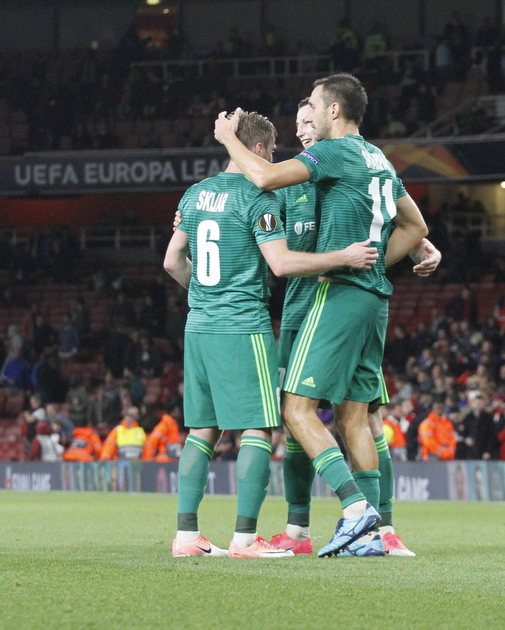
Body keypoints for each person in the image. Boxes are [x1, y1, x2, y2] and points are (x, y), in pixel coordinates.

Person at [213, 74, 432, 557]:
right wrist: (383, 255)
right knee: (354, 416)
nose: (304, 120)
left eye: (311, 108)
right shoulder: (376, 157)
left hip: (335, 298)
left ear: (333, 111)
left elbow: (264, 177)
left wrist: (228, 138)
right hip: (361, 301)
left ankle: (359, 513)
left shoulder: (331, 155)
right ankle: (366, 534)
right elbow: (412, 223)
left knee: (298, 410)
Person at [166, 108, 378, 559]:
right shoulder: (258, 198)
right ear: (259, 148)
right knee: (260, 428)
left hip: (198, 325)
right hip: (242, 326)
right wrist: (343, 257)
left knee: (202, 430)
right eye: (273, 151)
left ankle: (186, 537)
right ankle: (245, 539)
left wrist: (207, 295)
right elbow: (281, 264)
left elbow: (171, 261)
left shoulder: (194, 194)